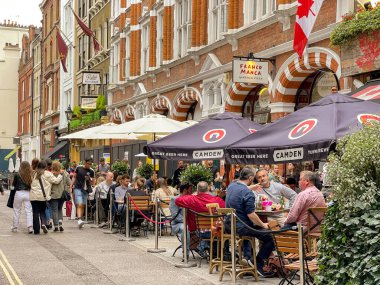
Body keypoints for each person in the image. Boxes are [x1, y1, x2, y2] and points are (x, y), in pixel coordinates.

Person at [225, 167, 275, 277]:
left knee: (251, 227)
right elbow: (251, 215)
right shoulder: (248, 193)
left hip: (228, 225)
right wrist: (263, 225)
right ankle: (258, 262)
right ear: (251, 178)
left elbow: (240, 190)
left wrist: (250, 188)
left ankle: (247, 258)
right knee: (270, 237)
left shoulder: (231, 186)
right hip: (241, 227)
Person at [175, 181, 225, 256]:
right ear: (208, 188)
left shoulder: (192, 199)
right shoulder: (218, 200)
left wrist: (193, 194)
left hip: (198, 231)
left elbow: (177, 200)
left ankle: (203, 247)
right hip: (216, 230)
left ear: (197, 190)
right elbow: (224, 212)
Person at [30, 160, 63, 234]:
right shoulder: (47, 174)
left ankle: (36, 230)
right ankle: (43, 224)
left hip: (33, 196)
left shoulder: (33, 173)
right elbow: (56, 181)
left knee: (35, 212)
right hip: (42, 197)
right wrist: (60, 175)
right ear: (45, 167)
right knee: (42, 211)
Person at [71, 158, 95, 229]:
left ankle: (80, 219)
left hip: (86, 189)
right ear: (85, 162)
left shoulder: (91, 171)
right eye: (88, 163)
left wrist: (89, 179)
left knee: (83, 205)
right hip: (77, 188)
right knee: (79, 203)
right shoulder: (79, 168)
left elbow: (93, 182)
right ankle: (79, 219)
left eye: (91, 164)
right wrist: (71, 185)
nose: (89, 165)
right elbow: (74, 177)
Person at [169, 183, 192, 256]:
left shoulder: (191, 199)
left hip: (189, 222)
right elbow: (175, 215)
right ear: (185, 190)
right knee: (185, 228)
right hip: (178, 224)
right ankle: (185, 253)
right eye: (190, 190)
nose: (192, 192)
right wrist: (188, 222)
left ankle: (201, 248)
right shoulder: (174, 200)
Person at [11, 161, 33, 233]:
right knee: (29, 211)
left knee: (17, 210)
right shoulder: (30, 174)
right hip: (27, 193)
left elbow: (13, 184)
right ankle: (30, 227)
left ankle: (15, 227)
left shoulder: (17, 175)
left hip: (19, 193)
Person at [50, 161, 71, 232]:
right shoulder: (65, 173)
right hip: (62, 194)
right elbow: (69, 183)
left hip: (53, 194)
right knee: (60, 209)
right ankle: (60, 223)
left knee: (54, 210)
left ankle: (56, 226)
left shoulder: (51, 174)